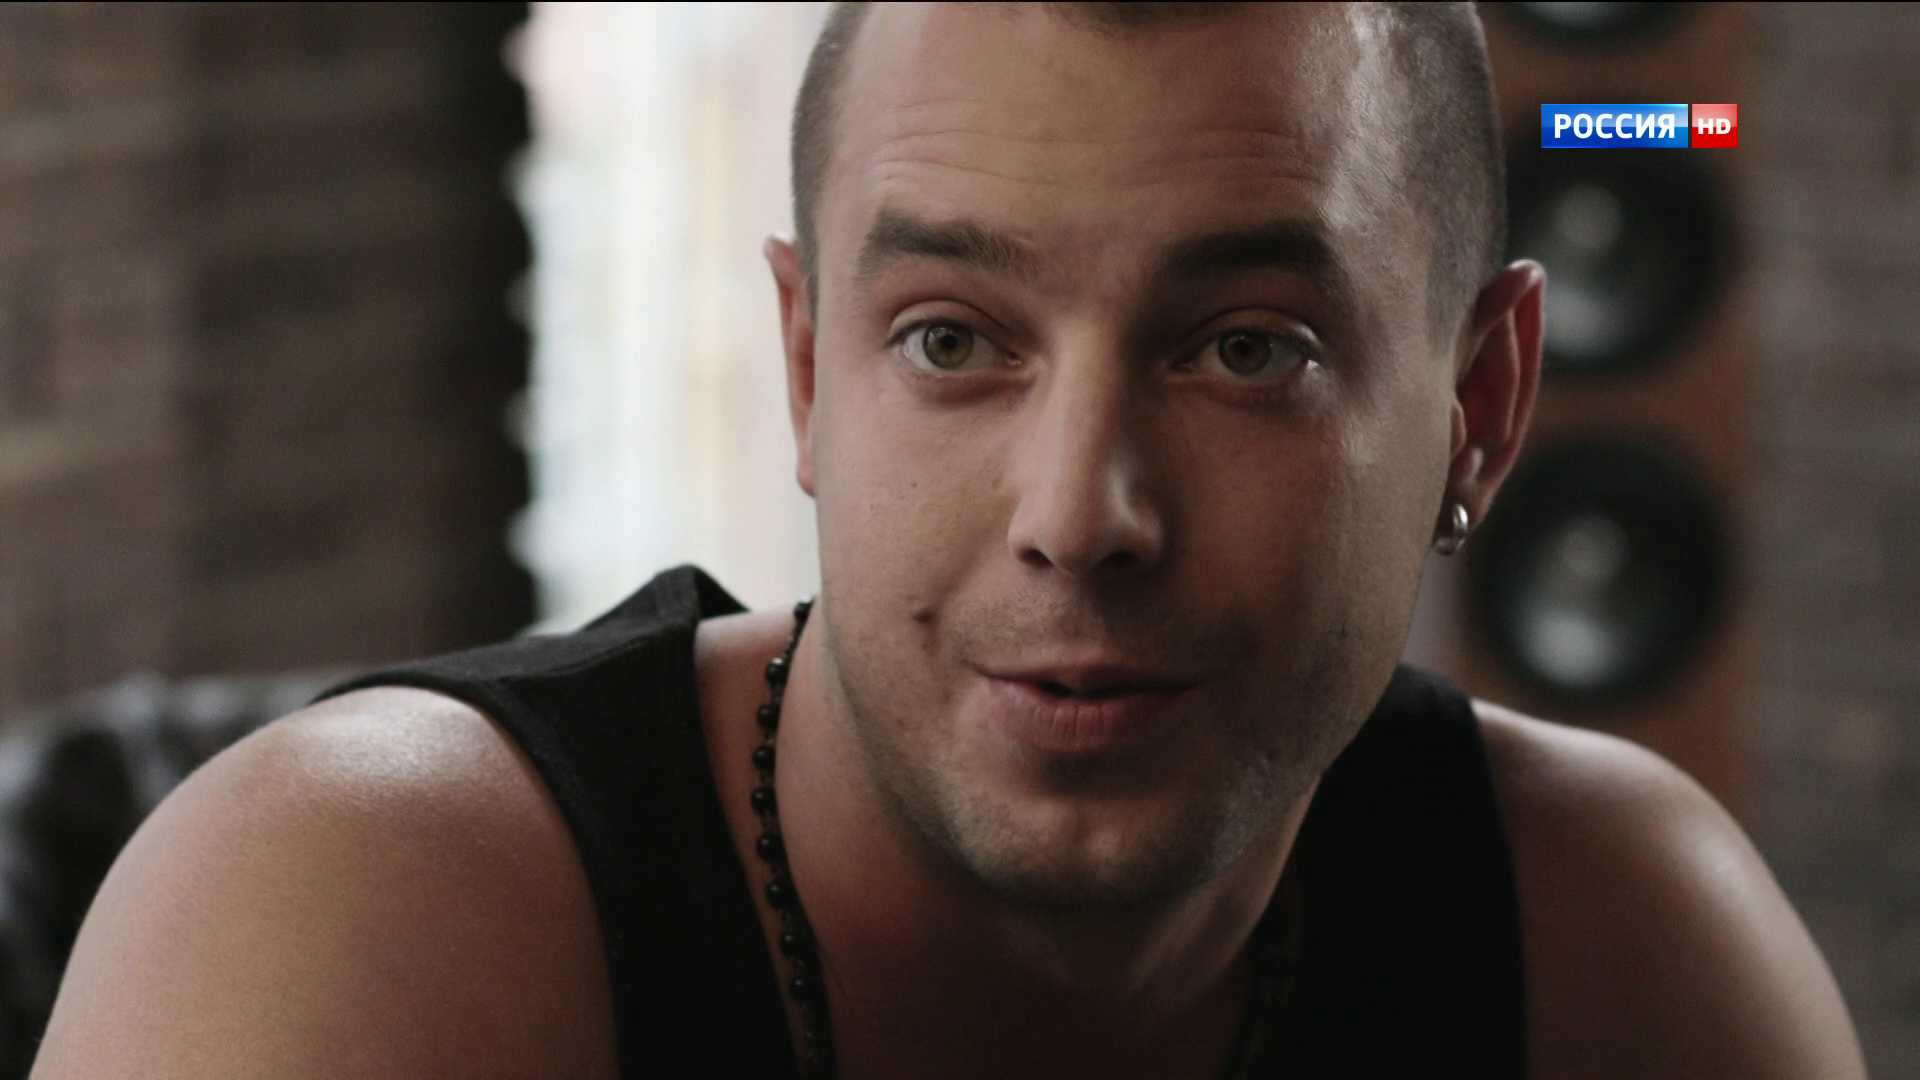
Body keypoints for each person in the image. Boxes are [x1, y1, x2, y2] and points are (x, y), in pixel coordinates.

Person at [32, 4, 1865, 1078]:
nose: (1081, 517)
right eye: (951, 342)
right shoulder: (354, 932)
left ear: (1482, 405)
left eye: (1247, 351)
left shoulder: (1618, 954)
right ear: (807, 370)